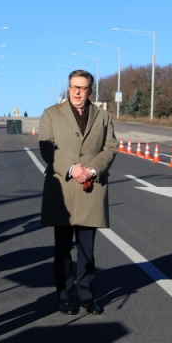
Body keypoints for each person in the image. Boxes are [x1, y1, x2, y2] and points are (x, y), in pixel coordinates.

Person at [38, 70, 118, 316]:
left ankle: (87, 296)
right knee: (62, 250)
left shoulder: (103, 116)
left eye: (82, 88)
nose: (77, 92)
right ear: (68, 87)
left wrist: (92, 170)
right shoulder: (51, 114)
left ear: (90, 90)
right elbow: (46, 146)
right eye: (73, 87)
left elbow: (110, 146)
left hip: (90, 188)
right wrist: (72, 168)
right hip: (62, 190)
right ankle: (63, 297)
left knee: (87, 249)